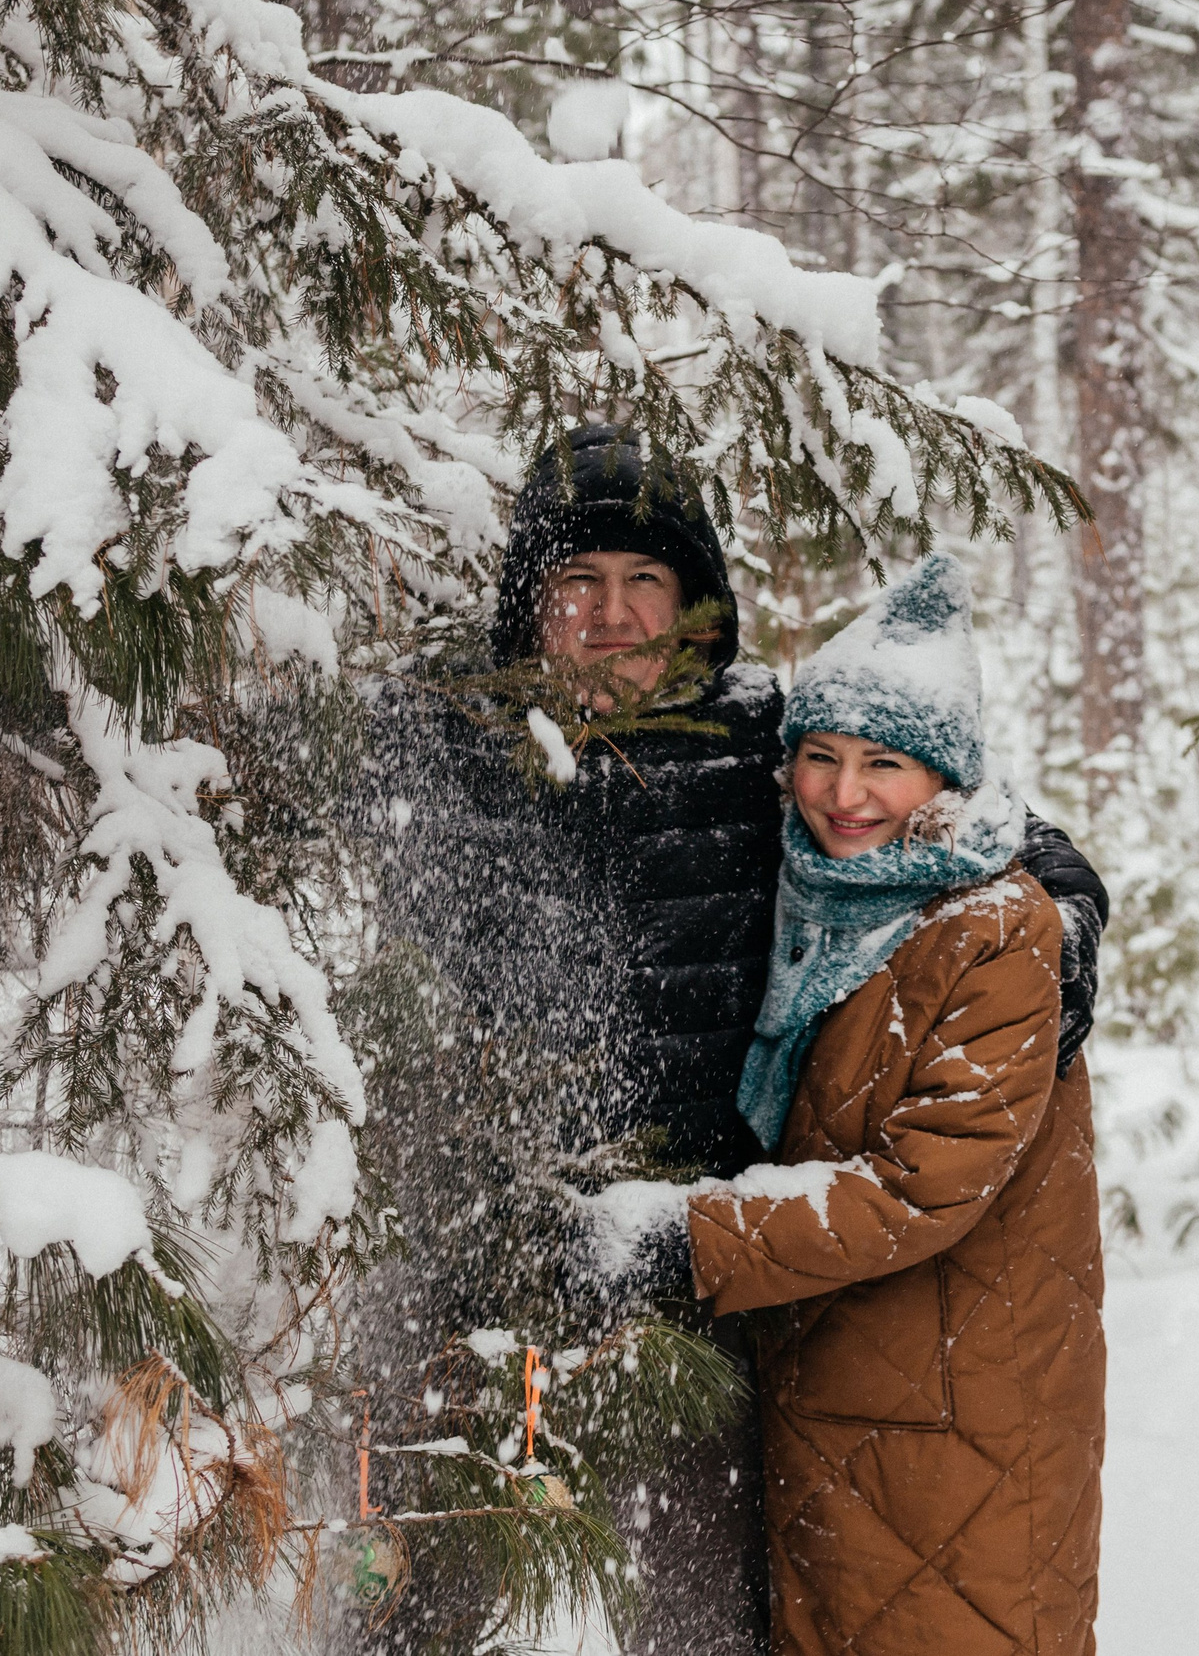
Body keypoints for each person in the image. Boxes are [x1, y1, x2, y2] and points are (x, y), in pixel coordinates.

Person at [362, 435, 1105, 1655]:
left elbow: (952, 808)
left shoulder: (761, 739)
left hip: (694, 1261)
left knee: (704, 1607)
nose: (609, 616)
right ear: (527, 606)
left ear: (695, 610)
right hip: (473, 1257)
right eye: (576, 581)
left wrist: (1067, 917)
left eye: (643, 581)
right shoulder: (443, 743)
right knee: (416, 1594)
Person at [598, 552, 1106, 1656]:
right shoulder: (814, 895)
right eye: (819, 758)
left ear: (948, 783)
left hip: (962, 1419)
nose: (843, 794)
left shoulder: (995, 931)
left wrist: (684, 1240)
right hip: (852, 1390)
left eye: (885, 764)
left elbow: (921, 1188)